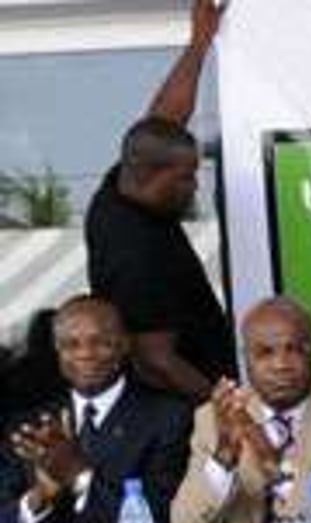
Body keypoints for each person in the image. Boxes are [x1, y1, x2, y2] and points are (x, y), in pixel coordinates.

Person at [84, 0, 235, 403]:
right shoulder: (137, 255)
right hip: (181, 415)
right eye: (186, 178)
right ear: (152, 174)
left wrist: (199, 43)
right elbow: (157, 361)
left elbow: (165, 118)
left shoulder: (122, 184)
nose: (194, 188)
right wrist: (226, 414)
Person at [172, 297, 311, 523]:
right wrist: (224, 455)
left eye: (294, 350)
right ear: (245, 358)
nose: (281, 365)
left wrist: (276, 470)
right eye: (264, 353)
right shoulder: (214, 418)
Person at [0, 296, 191, 523]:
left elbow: (162, 522)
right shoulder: (30, 425)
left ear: (124, 345)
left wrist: (79, 475)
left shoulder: (168, 417)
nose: (86, 354)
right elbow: (4, 522)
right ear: (57, 351)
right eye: (71, 345)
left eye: (100, 342)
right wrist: (40, 496)